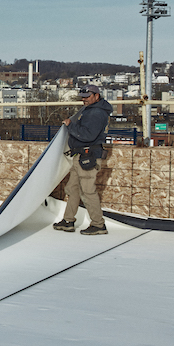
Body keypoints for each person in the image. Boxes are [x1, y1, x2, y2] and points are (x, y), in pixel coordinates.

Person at [53, 84, 113, 236]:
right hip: (81, 155)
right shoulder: (90, 110)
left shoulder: (97, 113)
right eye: (83, 97)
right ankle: (68, 221)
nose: (84, 100)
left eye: (87, 97)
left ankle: (98, 225)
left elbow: (88, 135)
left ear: (96, 96)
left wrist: (70, 126)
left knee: (87, 191)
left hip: (88, 157)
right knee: (72, 188)